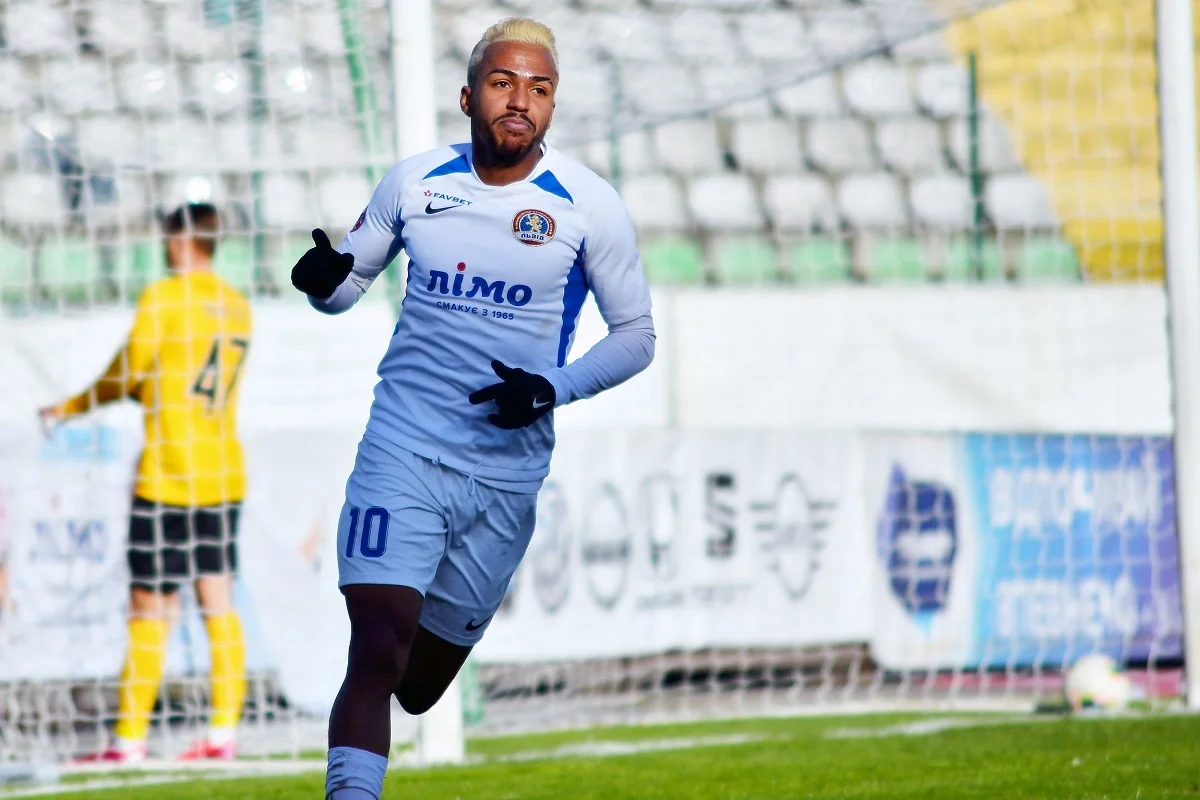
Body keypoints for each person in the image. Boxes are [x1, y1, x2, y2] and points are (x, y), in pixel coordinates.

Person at [289, 17, 656, 800]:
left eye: (539, 88)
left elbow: (637, 336)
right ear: (467, 97)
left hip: (504, 476)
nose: (520, 99)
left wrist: (551, 387)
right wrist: (323, 282)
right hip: (404, 448)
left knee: (419, 687)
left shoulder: (589, 205)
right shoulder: (416, 183)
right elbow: (346, 286)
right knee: (376, 644)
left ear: (552, 104)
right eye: (502, 82)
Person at [40, 203, 252, 762]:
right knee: (217, 602)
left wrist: (69, 406)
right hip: (222, 473)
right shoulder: (237, 306)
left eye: (166, 236)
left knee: (150, 608)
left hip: (168, 476)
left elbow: (127, 374)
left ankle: (129, 738)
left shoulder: (164, 298)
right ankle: (223, 733)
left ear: (180, 240)